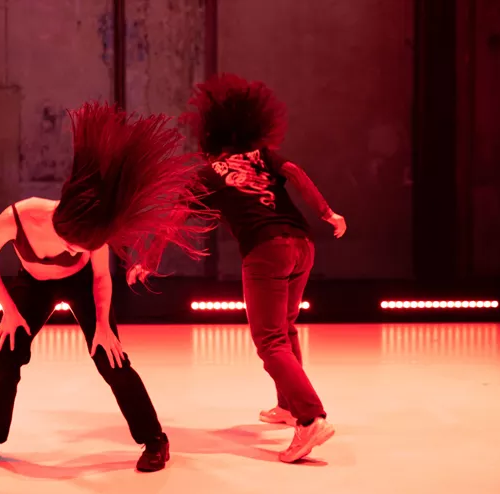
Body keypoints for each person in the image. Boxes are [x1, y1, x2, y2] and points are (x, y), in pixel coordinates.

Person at [0, 102, 212, 472]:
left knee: (110, 357)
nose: (72, 252)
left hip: (83, 285)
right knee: (6, 355)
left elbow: (100, 277)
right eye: (70, 246)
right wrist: (9, 311)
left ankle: (155, 440)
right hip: (33, 284)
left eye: (80, 249)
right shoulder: (19, 217)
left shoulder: (94, 231)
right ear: (60, 225)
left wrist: (102, 326)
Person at [130, 74, 347, 463]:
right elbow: (296, 174)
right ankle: (288, 406)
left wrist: (148, 261)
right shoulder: (263, 156)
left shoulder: (207, 174)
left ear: (208, 135)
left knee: (270, 341)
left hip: (266, 251)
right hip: (302, 244)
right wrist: (328, 213)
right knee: (286, 327)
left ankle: (310, 418)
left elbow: (173, 220)